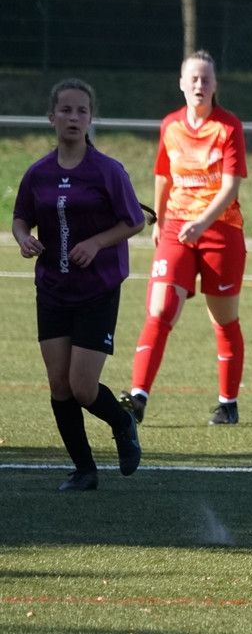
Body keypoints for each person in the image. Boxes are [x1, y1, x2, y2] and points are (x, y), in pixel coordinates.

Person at [13, 78, 149, 491]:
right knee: (59, 384)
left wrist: (96, 242)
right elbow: (20, 217)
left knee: (83, 387)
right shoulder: (38, 173)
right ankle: (84, 470)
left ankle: (122, 422)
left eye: (82, 111)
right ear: (51, 117)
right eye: (66, 110)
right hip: (53, 289)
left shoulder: (107, 170)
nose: (74, 117)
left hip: (97, 289)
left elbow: (135, 220)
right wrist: (23, 238)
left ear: (91, 118)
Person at [121, 49, 249, 426]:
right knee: (160, 308)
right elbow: (163, 176)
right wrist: (159, 219)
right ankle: (138, 397)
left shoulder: (228, 127)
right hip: (177, 227)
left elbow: (230, 186)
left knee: (223, 319)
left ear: (215, 85)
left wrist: (204, 222)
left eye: (205, 79)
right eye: (193, 78)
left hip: (221, 230)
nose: (199, 84)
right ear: (181, 84)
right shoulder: (171, 125)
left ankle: (228, 404)